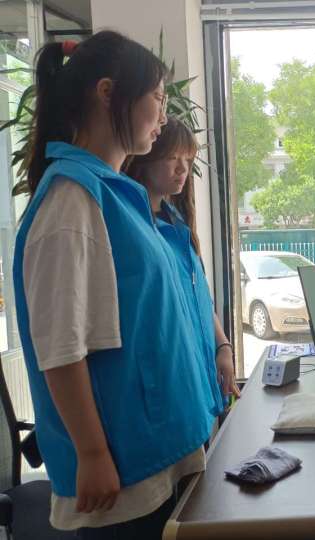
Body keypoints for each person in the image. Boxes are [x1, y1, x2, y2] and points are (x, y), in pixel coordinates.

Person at [12, 32, 221, 539]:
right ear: (108, 94)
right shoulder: (72, 202)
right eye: (158, 99)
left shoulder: (118, 196)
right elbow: (60, 346)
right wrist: (91, 453)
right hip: (124, 475)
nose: (164, 116)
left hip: (161, 450)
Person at [125, 117, 241, 403]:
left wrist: (223, 347)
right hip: (167, 386)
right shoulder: (133, 228)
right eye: (172, 158)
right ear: (146, 157)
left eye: (187, 159)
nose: (182, 169)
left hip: (200, 378)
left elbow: (199, 296)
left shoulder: (178, 223)